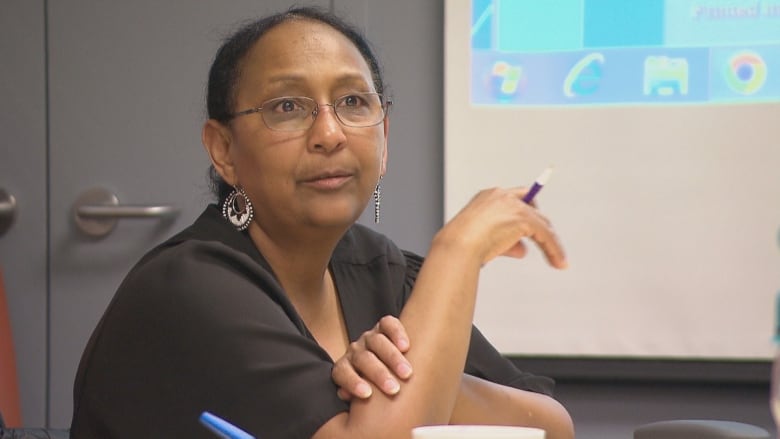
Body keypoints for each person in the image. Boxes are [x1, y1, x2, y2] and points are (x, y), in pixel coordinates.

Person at [69, 6, 573, 439]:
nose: (329, 134)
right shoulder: (187, 288)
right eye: (288, 107)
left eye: (354, 102)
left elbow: (553, 427)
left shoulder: (386, 273)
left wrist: (435, 383)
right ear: (223, 149)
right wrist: (459, 249)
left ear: (384, 136)